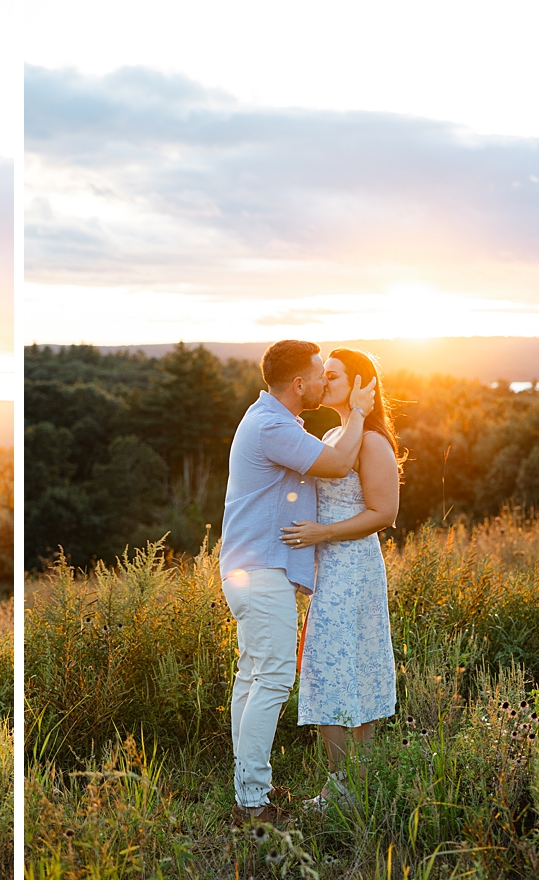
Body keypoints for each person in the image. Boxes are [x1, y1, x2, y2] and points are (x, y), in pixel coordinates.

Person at [218, 340, 376, 824]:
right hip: (261, 572)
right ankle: (253, 803)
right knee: (272, 681)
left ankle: (249, 787)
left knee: (252, 678)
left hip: (251, 569)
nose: (323, 381)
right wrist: (360, 413)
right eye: (317, 373)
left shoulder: (273, 420)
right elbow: (337, 464)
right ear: (300, 383)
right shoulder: (272, 425)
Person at [281, 349, 400, 810]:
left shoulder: (372, 441)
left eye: (333, 376)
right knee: (334, 666)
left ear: (360, 384)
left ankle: (346, 789)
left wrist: (320, 533)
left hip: (353, 566)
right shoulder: (336, 434)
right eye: (323, 374)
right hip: (328, 566)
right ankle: (350, 786)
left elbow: (384, 513)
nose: (323, 381)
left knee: (341, 668)